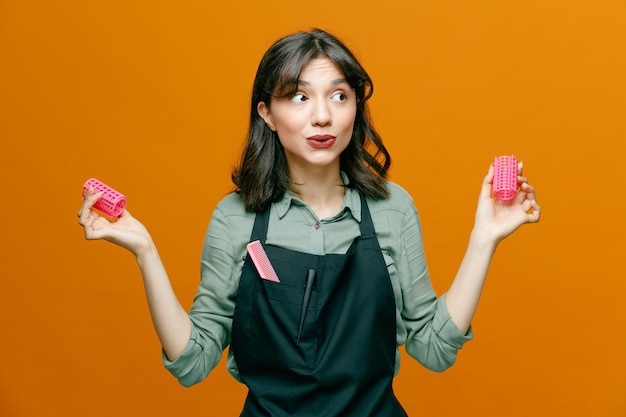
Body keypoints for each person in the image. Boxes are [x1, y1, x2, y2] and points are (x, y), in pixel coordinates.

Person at [78, 28, 541, 416]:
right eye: (299, 96)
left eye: (339, 95)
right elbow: (193, 362)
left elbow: (432, 349)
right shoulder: (235, 219)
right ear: (267, 113)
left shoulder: (392, 209)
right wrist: (146, 252)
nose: (323, 115)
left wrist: (484, 239)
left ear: (355, 107)